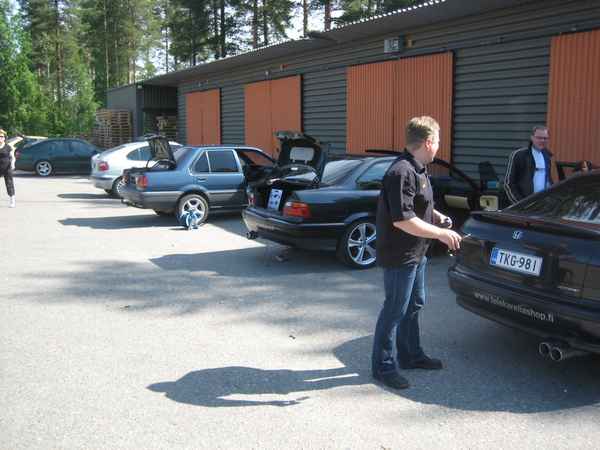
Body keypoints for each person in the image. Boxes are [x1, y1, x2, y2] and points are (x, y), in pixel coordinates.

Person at [371, 116, 462, 390]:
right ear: (428, 142)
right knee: (394, 309)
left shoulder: (419, 169)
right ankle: (383, 366)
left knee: (414, 304)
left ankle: (411, 355)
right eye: (438, 141)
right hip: (400, 256)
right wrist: (440, 234)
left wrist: (437, 216)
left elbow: (417, 206)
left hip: (417, 252)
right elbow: (402, 219)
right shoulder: (401, 172)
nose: (439, 146)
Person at [505, 125, 553, 204]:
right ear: (532, 138)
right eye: (539, 138)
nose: (542, 140)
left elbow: (548, 179)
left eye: (545, 138)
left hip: (543, 203)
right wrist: (520, 204)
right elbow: (508, 184)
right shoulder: (519, 155)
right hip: (525, 205)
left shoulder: (547, 156)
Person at [0, 129, 22, 208]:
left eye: (2, 136)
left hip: (7, 167)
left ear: (4, 138)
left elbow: (12, 156)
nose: (0, 138)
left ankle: (12, 200)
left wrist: (13, 164)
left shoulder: (8, 146)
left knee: (9, 183)